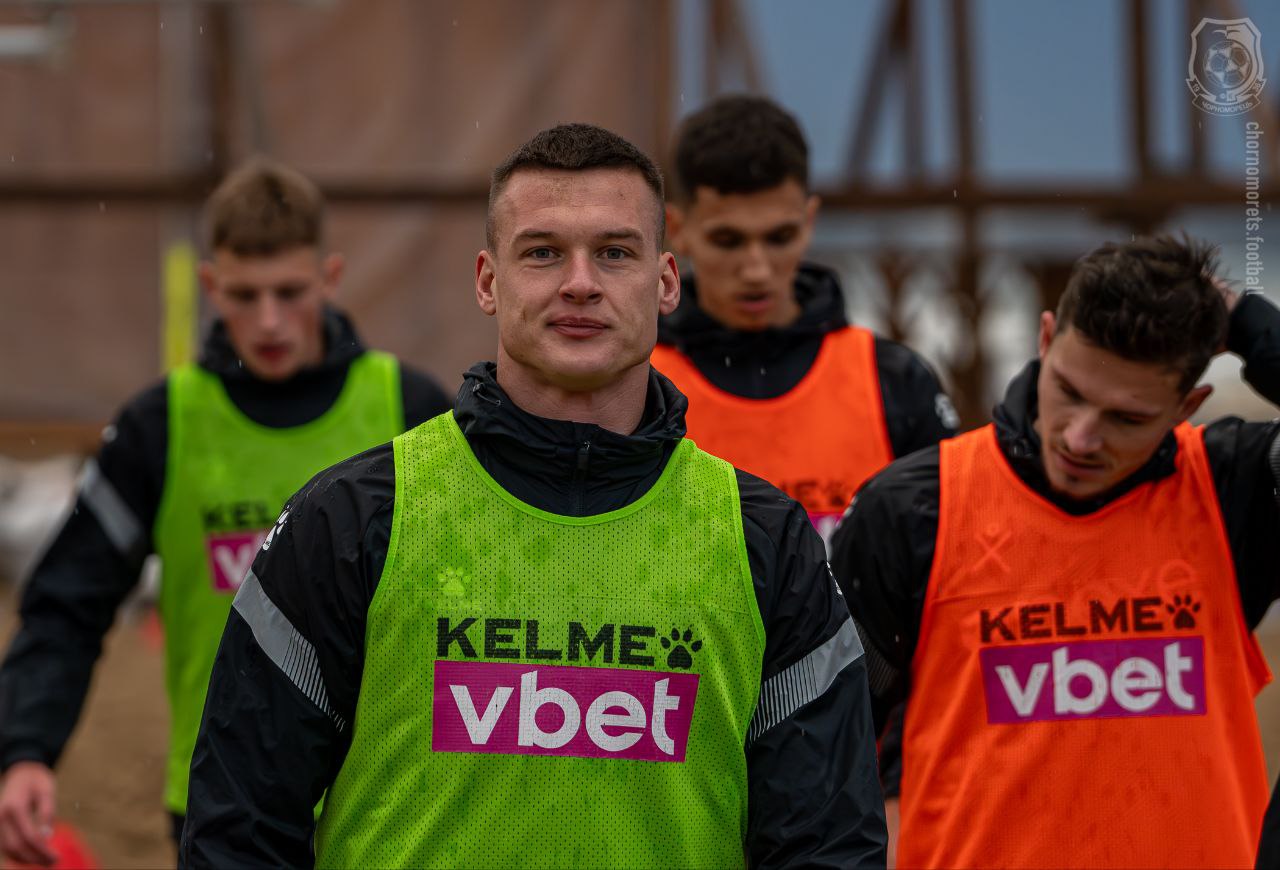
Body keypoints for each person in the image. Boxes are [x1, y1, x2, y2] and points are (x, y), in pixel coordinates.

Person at [180, 123, 887, 868]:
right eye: (543, 252)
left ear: (667, 282)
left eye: (615, 253)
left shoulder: (764, 541)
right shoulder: (349, 522)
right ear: (489, 281)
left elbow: (828, 847)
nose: (580, 282)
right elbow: (240, 831)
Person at [0, 158, 452, 866]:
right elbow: (67, 603)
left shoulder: (410, 410)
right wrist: (25, 748)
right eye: (244, 295)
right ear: (211, 286)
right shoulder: (161, 426)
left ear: (330, 278)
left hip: (383, 801)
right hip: (219, 803)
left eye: (289, 292)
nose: (268, 320)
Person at [832, 234, 1280, 867]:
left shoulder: (1234, 492)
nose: (1081, 438)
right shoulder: (913, 509)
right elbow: (821, 744)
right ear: (1045, 339)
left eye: (1126, 418)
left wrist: (1246, 321)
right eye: (1068, 390)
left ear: (1187, 405)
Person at [652, 94, 957, 549]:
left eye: (780, 237)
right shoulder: (637, 382)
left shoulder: (892, 382)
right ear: (677, 229)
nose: (757, 269)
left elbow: (950, 559)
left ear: (809, 221)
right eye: (728, 240)